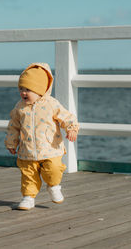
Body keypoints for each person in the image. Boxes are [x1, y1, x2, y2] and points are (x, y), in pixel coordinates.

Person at [5, 62, 79, 210]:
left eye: (28, 89)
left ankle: (53, 186)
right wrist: (11, 143)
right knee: (28, 175)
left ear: (40, 90)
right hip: (27, 151)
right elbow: (13, 126)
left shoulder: (51, 104)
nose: (23, 93)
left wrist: (71, 128)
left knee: (54, 170)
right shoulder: (19, 107)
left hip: (50, 149)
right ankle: (28, 197)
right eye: (21, 89)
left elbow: (67, 117)